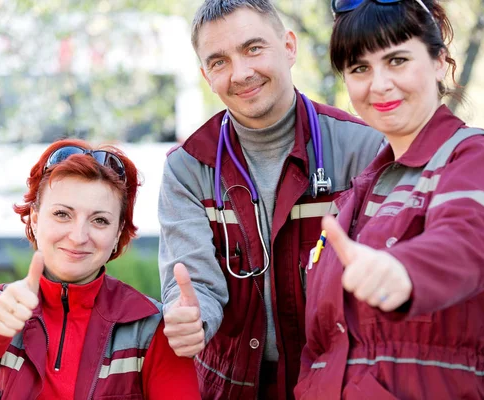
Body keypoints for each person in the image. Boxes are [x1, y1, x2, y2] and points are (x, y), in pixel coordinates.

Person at [296, 0, 484, 399]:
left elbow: (468, 241)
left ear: (440, 62)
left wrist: (402, 271)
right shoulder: (356, 193)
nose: (379, 84)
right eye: (359, 68)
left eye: (397, 60)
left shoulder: (476, 157)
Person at [158, 0, 384, 398]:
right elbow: (194, 286)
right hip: (233, 387)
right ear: (205, 75)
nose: (241, 73)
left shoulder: (363, 148)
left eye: (253, 48)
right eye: (219, 61)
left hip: (340, 383)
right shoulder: (188, 167)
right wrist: (190, 317)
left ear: (289, 47)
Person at [0, 139, 200, 399]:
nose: (79, 236)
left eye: (100, 220)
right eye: (62, 214)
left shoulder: (151, 327)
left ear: (117, 234)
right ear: (35, 220)